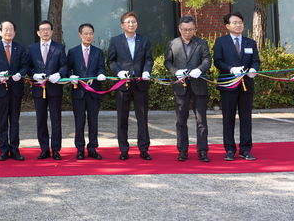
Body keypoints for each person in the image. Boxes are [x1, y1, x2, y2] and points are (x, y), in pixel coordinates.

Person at [213, 12, 261, 161]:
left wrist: (254, 69)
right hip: (228, 85)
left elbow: (256, 61)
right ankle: (229, 149)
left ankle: (245, 149)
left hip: (246, 85)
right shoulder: (221, 42)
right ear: (227, 26)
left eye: (240, 22)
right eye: (234, 22)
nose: (238, 25)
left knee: (246, 118)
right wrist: (231, 69)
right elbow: (218, 61)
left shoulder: (250, 43)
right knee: (228, 118)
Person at [164, 15, 212, 162]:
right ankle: (182, 150)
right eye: (184, 30)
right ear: (179, 29)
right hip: (181, 87)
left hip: (199, 86)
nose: (187, 32)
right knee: (181, 121)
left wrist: (200, 69)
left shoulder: (201, 43)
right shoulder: (173, 43)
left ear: (195, 29)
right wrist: (175, 71)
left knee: (201, 120)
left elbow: (207, 60)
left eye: (190, 29)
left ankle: (202, 151)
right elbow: (167, 62)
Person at [107, 11, 153, 161]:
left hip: (140, 84)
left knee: (142, 118)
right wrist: (118, 72)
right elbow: (111, 61)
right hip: (123, 85)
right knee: (122, 118)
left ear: (137, 24)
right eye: (128, 22)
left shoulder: (144, 40)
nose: (131, 24)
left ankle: (144, 149)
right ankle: (124, 150)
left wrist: (146, 71)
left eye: (133, 22)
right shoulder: (115, 41)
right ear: (122, 25)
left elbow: (148, 59)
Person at [27, 20, 67, 160]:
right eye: (42, 29)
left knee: (56, 120)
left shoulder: (59, 48)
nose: (45, 32)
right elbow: (28, 67)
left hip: (55, 88)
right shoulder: (32, 49)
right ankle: (44, 149)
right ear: (38, 32)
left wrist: (59, 74)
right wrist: (34, 75)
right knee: (41, 120)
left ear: (52, 31)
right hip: (39, 89)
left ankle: (56, 149)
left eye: (48, 29)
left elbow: (65, 66)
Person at [0, 21, 29, 161]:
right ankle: (3, 149)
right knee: (2, 120)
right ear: (0, 32)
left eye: (11, 29)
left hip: (16, 89)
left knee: (15, 120)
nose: (8, 32)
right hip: (1, 88)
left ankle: (15, 149)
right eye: (5, 29)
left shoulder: (20, 48)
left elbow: (25, 66)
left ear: (15, 32)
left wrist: (20, 74)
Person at [67, 23, 106, 160]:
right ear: (80, 35)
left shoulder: (98, 52)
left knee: (93, 121)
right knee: (79, 121)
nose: (89, 36)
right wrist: (70, 77)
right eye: (86, 33)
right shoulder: (73, 52)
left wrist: (101, 74)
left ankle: (92, 148)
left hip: (94, 92)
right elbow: (67, 68)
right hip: (78, 93)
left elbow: (102, 68)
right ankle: (79, 148)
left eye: (91, 33)